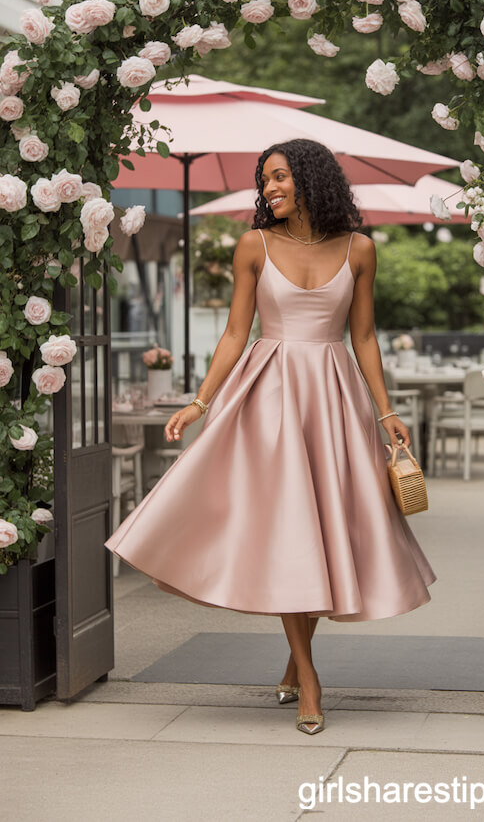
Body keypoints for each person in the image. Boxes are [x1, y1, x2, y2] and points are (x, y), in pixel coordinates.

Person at [105, 138, 436, 736]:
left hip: (334, 400)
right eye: (265, 180)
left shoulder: (360, 249)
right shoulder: (252, 245)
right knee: (290, 530)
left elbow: (363, 338)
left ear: (311, 178)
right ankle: (308, 678)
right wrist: (201, 399)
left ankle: (292, 662)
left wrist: (386, 414)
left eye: (279, 177)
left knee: (324, 529)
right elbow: (236, 333)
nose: (269, 188)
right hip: (269, 400)